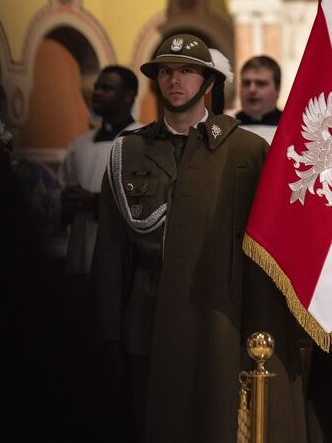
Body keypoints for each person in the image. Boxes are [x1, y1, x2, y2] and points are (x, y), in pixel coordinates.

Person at [93, 34, 306, 443]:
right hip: (148, 321)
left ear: (208, 82)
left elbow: (268, 248)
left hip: (220, 320)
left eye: (188, 71)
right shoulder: (130, 151)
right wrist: (109, 335)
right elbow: (111, 252)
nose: (176, 80)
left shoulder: (245, 150)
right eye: (167, 71)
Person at [56, 65, 141, 273]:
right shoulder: (79, 145)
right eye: (96, 87)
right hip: (78, 248)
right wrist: (65, 202)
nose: (97, 93)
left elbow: (143, 201)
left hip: (119, 256)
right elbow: (60, 192)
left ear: (128, 96)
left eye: (107, 88)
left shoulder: (142, 140)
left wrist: (96, 202)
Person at [235, 55, 282, 144]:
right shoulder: (226, 126)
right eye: (246, 83)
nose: (251, 90)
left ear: (277, 89)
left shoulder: (291, 129)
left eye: (261, 84)